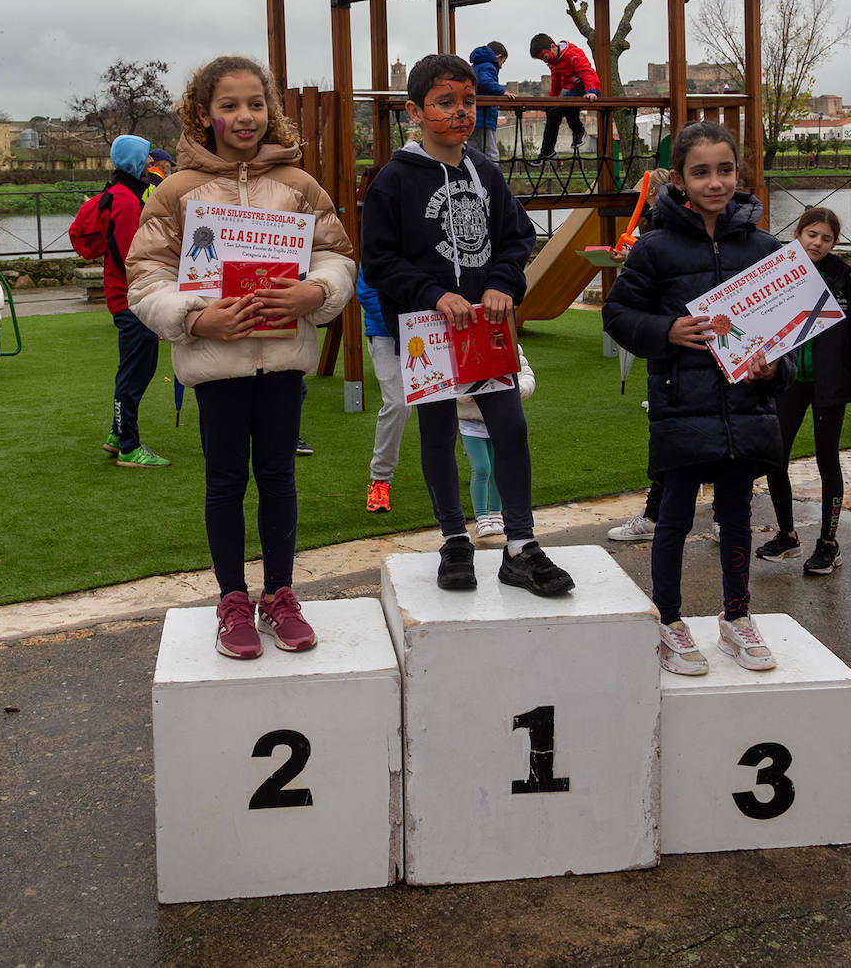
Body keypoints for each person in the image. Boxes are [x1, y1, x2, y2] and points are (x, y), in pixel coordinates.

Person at [126, 55, 355, 660]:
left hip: (282, 358)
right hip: (216, 365)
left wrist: (317, 291)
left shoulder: (300, 185)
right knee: (225, 481)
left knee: (278, 477)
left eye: (256, 103)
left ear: (269, 109)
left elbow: (336, 255)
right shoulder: (176, 191)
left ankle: (280, 595)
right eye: (229, 105)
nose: (245, 116)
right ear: (204, 114)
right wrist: (196, 317)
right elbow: (144, 276)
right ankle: (232, 600)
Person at [361, 52, 574, 597]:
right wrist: (433, 294)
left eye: (469, 101)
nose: (460, 112)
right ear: (414, 111)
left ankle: (520, 545)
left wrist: (503, 282)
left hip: (485, 326)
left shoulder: (486, 172)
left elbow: (517, 237)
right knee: (438, 431)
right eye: (445, 102)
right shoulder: (392, 181)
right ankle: (454, 539)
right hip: (426, 333)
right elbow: (379, 261)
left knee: (510, 427)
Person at [603, 120, 794, 675]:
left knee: (737, 517)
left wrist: (772, 369)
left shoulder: (765, 248)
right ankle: (669, 621)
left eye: (725, 170)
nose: (715, 182)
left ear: (739, 173)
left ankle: (737, 618)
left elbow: (787, 335)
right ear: (681, 179)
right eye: (702, 172)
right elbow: (618, 313)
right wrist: (666, 330)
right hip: (682, 409)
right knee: (674, 518)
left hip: (745, 410)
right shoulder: (655, 248)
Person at [757, 207, 851, 575]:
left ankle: (829, 542)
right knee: (776, 458)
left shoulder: (843, 276)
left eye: (827, 238)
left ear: (834, 244)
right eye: (812, 235)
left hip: (830, 383)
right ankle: (787, 535)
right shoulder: (778, 271)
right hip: (789, 380)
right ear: (798, 234)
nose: (818, 243)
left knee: (827, 460)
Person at [608, 168, 671, 542]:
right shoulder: (656, 233)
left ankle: (720, 516)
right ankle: (655, 514)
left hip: (695, 351)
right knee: (666, 437)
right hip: (670, 353)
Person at [101, 134, 171, 468]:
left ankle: (118, 434)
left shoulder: (121, 193)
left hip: (127, 296)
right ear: (133, 161)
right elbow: (133, 256)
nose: (150, 162)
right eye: (145, 157)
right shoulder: (126, 200)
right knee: (136, 372)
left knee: (134, 368)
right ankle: (129, 446)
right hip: (132, 299)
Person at [458, 343, 535, 538]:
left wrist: (516, 391)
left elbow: (525, 374)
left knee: (497, 469)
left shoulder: (506, 342)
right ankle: (482, 518)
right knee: (481, 468)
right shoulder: (462, 344)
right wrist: (467, 395)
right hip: (469, 422)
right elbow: (450, 384)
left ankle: (496, 514)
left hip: (498, 419)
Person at [357, 263, 411, 514]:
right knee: (398, 404)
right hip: (386, 334)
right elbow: (366, 293)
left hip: (428, 328)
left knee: (448, 398)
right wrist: (405, 326)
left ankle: (481, 466)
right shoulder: (376, 244)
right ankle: (380, 479)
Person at [529, 34, 599, 163]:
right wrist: (552, 100)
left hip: (590, 87)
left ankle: (578, 131)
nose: (545, 61)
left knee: (567, 103)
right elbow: (556, 82)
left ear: (553, 47)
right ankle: (547, 151)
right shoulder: (553, 62)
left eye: (545, 57)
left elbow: (585, 71)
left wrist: (590, 91)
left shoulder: (572, 53)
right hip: (575, 90)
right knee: (553, 111)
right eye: (542, 59)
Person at [468, 42, 513, 162]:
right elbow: (484, 81)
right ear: (498, 57)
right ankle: (493, 173)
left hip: (473, 114)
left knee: (473, 150)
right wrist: (502, 91)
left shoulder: (475, 66)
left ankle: (473, 172)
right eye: (503, 62)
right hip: (485, 117)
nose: (501, 66)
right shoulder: (489, 66)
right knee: (491, 151)